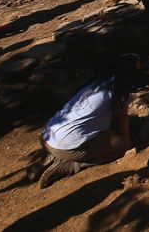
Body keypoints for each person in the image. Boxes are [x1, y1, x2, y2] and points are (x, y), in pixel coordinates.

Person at [34, 54, 139, 188]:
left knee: (103, 134)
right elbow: (122, 118)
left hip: (47, 138)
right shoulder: (119, 90)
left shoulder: (96, 84)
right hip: (65, 146)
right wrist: (126, 140)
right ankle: (75, 164)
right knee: (123, 145)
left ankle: (53, 156)